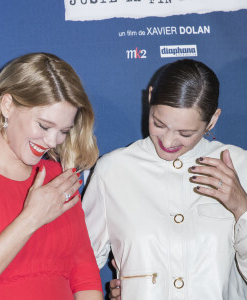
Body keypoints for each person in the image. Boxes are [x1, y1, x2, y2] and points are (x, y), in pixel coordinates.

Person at [82, 59, 247, 299]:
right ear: (150, 98)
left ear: (212, 119)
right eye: (158, 124)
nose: (168, 142)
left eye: (185, 133)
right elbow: (78, 266)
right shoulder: (114, 171)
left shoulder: (240, 165)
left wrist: (242, 207)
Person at [0, 53, 103, 299]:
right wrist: (31, 218)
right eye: (43, 126)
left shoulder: (59, 177)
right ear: (7, 105)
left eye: (64, 130)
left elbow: (85, 277)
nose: (53, 142)